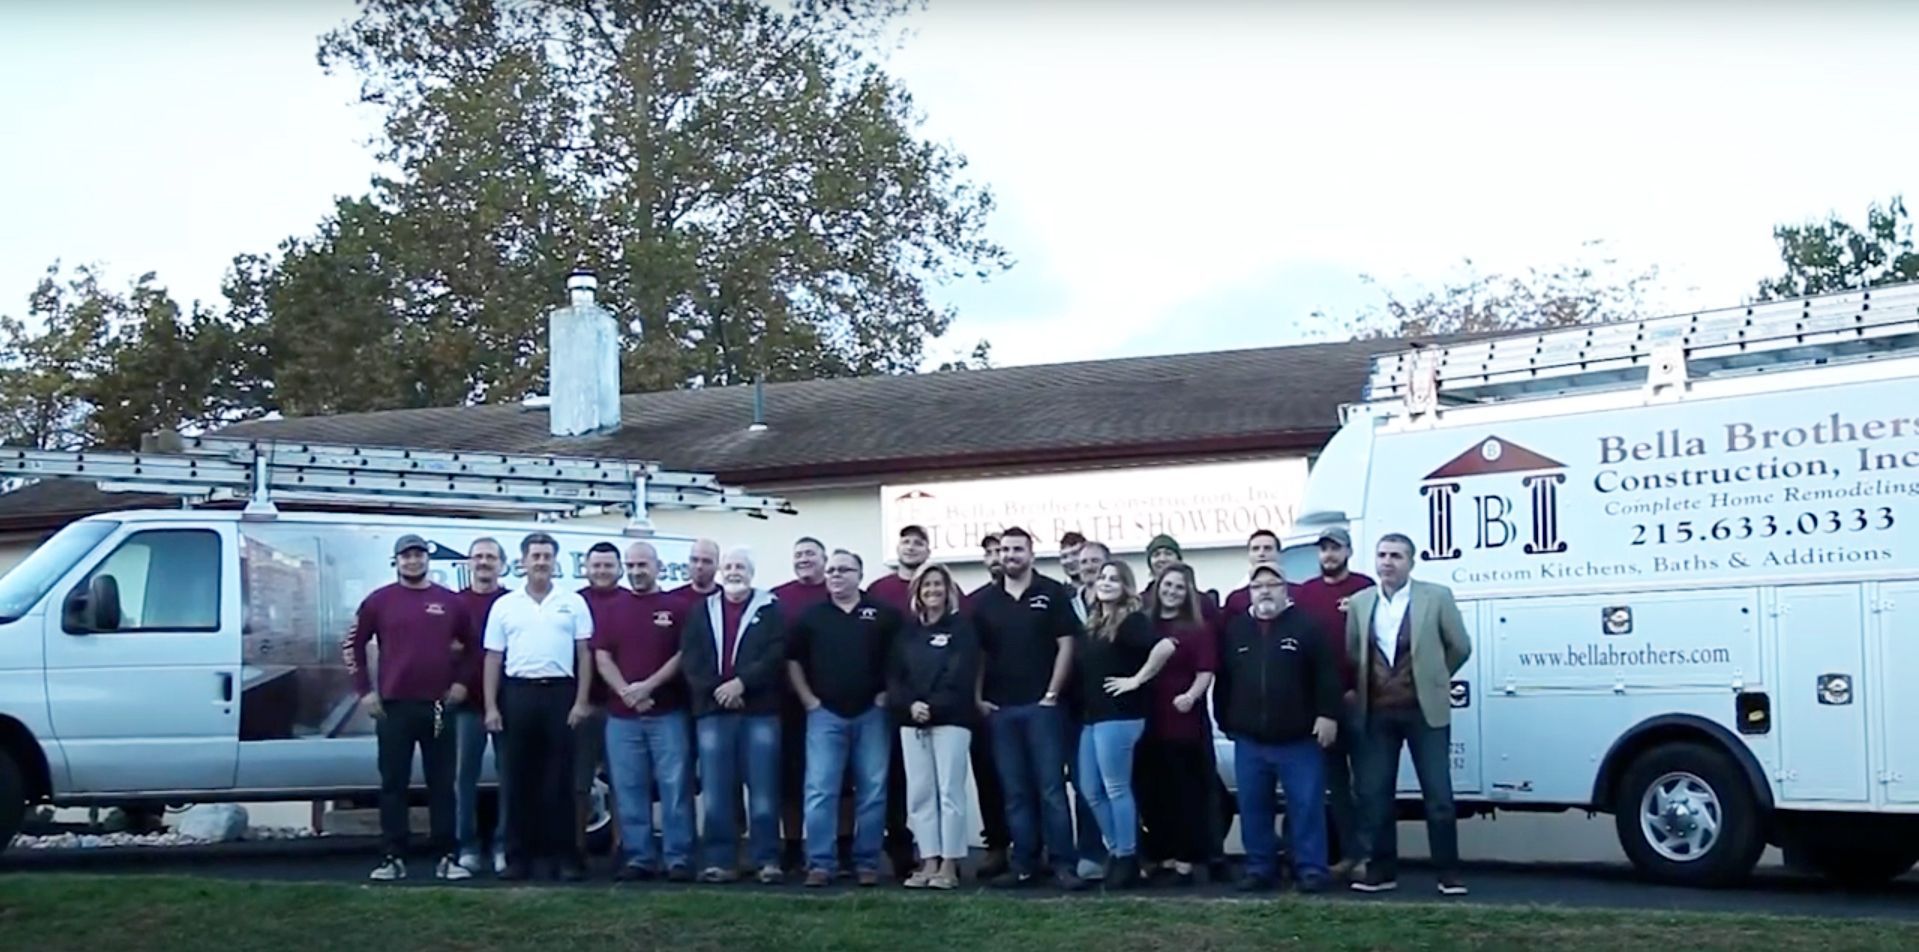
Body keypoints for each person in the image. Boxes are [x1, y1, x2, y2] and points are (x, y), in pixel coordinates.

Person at [1347, 533, 1473, 897]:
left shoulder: (1436, 597)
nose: (1388, 562)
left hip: (1424, 711)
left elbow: (1460, 646)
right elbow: (1355, 652)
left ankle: (1448, 872)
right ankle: (1382, 871)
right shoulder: (1360, 603)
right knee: (1376, 795)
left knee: (1438, 794)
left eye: (1396, 556)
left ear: (1411, 562)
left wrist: (1435, 676)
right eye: (1382, 555)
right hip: (1378, 713)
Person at [348, 534, 479, 882]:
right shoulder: (379, 601)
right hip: (393, 708)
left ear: (427, 560)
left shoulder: (450, 603)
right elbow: (353, 645)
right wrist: (364, 691)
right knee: (394, 783)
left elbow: (473, 648)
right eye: (406, 556)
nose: (413, 561)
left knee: (441, 782)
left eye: (418, 555)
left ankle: (447, 856)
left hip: (438, 708)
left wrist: (461, 684)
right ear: (397, 561)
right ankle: (392, 857)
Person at [973, 526, 1086, 891]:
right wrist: (977, 698)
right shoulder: (986, 602)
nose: (1010, 556)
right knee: (1015, 792)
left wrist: (1052, 693)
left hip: (1044, 709)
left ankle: (1063, 865)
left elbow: (1067, 645)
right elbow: (978, 654)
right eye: (1004, 550)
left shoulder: (1051, 593)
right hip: (1002, 710)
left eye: (1017, 550)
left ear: (1031, 555)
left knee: (1051, 790)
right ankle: (1024, 864)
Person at [1215, 563, 1340, 893]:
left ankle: (1311, 869)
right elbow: (1224, 679)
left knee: (1306, 806)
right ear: (1250, 593)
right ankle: (1260, 868)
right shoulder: (1237, 630)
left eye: (1273, 585)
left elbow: (1328, 675)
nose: (1265, 591)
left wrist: (1328, 715)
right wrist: (1226, 720)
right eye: (1258, 587)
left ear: (1286, 590)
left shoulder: (1308, 627)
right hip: (1249, 740)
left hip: (1299, 739)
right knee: (1253, 808)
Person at [483, 532, 595, 882]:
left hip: (560, 694)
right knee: (519, 780)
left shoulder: (573, 602)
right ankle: (518, 858)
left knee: (559, 781)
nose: (541, 562)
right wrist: (491, 706)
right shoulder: (505, 605)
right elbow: (492, 658)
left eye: (547, 556)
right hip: (518, 694)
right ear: (523, 561)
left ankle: (564, 859)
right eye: (536, 556)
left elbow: (584, 654)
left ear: (554, 561)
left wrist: (581, 701)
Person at [788, 550, 899, 887]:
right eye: (832, 571)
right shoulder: (812, 616)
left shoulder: (883, 615)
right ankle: (820, 863)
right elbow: (793, 661)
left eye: (843, 570)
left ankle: (867, 862)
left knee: (874, 790)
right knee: (820, 790)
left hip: (872, 714)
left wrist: (887, 695)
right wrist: (808, 700)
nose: (836, 576)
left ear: (859, 574)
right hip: (825, 715)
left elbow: (901, 658)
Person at [682, 547, 788, 884]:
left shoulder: (770, 609)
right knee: (716, 791)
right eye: (727, 566)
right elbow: (692, 657)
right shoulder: (701, 611)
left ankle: (766, 860)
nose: (733, 571)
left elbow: (776, 653)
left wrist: (742, 684)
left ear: (751, 572)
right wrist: (720, 689)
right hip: (713, 712)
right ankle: (720, 861)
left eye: (740, 566)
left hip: (760, 712)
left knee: (763, 790)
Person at [595, 541, 696, 882]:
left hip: (668, 713)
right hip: (622, 717)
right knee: (629, 788)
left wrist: (648, 687)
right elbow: (602, 656)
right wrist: (627, 692)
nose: (637, 571)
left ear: (658, 567)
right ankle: (639, 857)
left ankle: (678, 857)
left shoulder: (678, 607)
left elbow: (684, 655)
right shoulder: (612, 608)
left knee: (675, 787)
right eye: (632, 565)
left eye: (643, 565)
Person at [1073, 560, 1176, 888]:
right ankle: (1118, 849)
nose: (1105, 583)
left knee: (1116, 788)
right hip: (1092, 717)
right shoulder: (1094, 621)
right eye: (1102, 577)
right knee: (1090, 789)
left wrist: (1136, 680)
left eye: (1114, 579)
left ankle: (1127, 857)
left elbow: (1166, 646)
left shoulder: (1131, 621)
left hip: (1120, 716)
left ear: (1125, 586)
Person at [1289, 527, 1376, 879]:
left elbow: (1377, 642)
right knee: (1336, 786)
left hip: (1361, 700)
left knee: (1368, 785)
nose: (1329, 555)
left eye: (1335, 548)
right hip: (1322, 706)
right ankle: (1351, 855)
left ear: (1349, 551)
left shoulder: (1365, 587)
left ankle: (1373, 855)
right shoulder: (1306, 593)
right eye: (1324, 549)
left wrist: (1359, 687)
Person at [888, 563, 980, 890]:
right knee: (920, 794)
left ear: (948, 590)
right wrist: (911, 705)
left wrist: (933, 706)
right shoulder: (907, 631)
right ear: (917, 592)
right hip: (911, 722)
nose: (932, 591)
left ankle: (950, 865)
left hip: (952, 721)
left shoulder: (962, 629)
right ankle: (928, 860)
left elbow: (961, 674)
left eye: (938, 585)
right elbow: (895, 676)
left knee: (950, 793)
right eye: (926, 586)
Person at [1136, 563, 1217, 885]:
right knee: (1154, 792)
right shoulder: (1144, 624)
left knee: (1185, 791)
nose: (1171, 592)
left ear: (1188, 594)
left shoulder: (1197, 628)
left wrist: (1192, 696)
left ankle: (1185, 860)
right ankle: (1161, 856)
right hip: (1147, 718)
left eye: (1179, 587)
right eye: (1166, 585)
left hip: (1182, 720)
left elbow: (1206, 670)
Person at [862, 525, 931, 878]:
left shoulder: (939, 588)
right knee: (892, 778)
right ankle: (899, 847)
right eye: (906, 541)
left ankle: (932, 850)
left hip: (933, 697)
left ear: (928, 550)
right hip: (890, 697)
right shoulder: (878, 590)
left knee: (928, 780)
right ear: (898, 548)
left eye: (919, 542)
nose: (912, 547)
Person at [452, 538, 512, 876]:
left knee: (510, 776)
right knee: (463, 778)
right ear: (469, 563)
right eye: (478, 556)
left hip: (508, 704)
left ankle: (504, 845)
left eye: (491, 557)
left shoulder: (513, 602)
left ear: (502, 564)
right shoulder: (453, 604)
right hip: (464, 707)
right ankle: (467, 846)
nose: (484, 562)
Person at [772, 537, 831, 873]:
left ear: (824, 560)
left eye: (810, 554)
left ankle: (842, 846)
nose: (804, 559)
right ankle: (793, 846)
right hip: (788, 703)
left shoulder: (838, 591)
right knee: (791, 780)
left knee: (838, 783)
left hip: (833, 702)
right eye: (798, 555)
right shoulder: (778, 598)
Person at [963, 531, 1011, 879]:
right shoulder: (973, 602)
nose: (997, 557)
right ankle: (996, 846)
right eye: (991, 552)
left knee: (1027, 781)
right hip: (984, 705)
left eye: (1002, 550)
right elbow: (969, 654)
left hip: (1026, 702)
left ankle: (1031, 848)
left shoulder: (1040, 593)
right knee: (989, 779)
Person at [574, 543, 625, 863]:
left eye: (608, 565)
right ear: (587, 568)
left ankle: (622, 847)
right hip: (584, 707)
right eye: (597, 565)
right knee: (579, 783)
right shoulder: (573, 602)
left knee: (621, 782)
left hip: (622, 708)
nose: (602, 571)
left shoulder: (630, 602)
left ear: (619, 568)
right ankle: (576, 848)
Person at [1061, 539, 1109, 880]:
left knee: (1117, 785)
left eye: (1096, 560)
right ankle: (1091, 853)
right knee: (1084, 783)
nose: (1089, 566)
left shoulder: (1120, 605)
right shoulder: (1067, 606)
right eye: (1084, 560)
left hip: (1114, 709)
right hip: (1075, 708)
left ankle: (1124, 852)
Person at [1141, 534, 1220, 623]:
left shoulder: (1202, 602)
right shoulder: (1141, 602)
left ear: (1178, 559)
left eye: (1168, 553)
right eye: (1156, 554)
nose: (1162, 559)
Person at [1220, 530, 1283, 620]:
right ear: (1249, 555)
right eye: (1255, 549)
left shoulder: (1296, 593)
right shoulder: (1236, 599)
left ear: (1279, 554)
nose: (1261, 554)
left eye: (1267, 548)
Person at [672, 538, 722, 608]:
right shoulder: (672, 599)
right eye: (694, 560)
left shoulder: (726, 599)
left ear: (717, 565)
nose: (699, 566)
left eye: (706, 561)